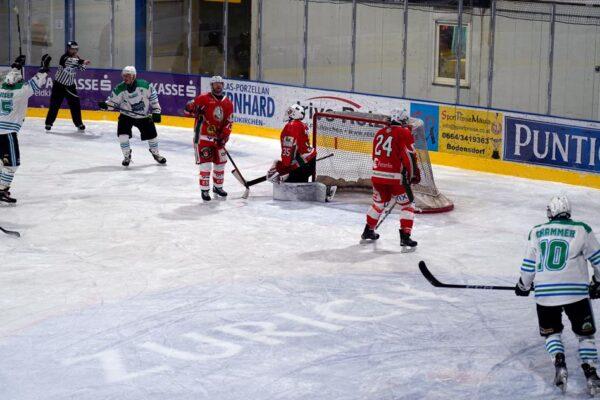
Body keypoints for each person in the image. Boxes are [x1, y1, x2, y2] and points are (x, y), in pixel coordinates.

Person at [515, 195, 600, 395]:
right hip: (576, 295)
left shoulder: (536, 231)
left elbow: (528, 267)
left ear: (550, 212)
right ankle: (591, 374)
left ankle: (559, 362)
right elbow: (598, 261)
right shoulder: (582, 229)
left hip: (545, 294)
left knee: (551, 333)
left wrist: (523, 286)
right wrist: (597, 282)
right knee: (585, 335)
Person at [361, 108, 420, 247]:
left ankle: (368, 230)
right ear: (402, 120)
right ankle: (405, 237)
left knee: (378, 205)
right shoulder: (404, 132)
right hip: (395, 178)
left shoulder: (379, 133)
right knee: (408, 205)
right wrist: (413, 174)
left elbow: (375, 156)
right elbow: (410, 156)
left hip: (377, 175)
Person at [0, 54, 51, 203]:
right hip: (8, 134)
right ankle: (2, 190)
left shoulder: (1, 90)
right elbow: (37, 82)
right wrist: (44, 69)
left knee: (2, 162)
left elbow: (10, 78)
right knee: (12, 164)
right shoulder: (21, 92)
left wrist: (16, 65)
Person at [98, 66, 165, 167]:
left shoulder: (145, 85)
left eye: (128, 75)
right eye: (124, 75)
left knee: (152, 135)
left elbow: (153, 97)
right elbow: (112, 103)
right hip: (126, 116)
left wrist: (156, 111)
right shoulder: (119, 88)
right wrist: (106, 106)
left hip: (143, 116)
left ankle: (156, 153)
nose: (125, 78)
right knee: (122, 135)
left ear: (134, 76)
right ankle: (126, 155)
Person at [184, 75, 234, 202]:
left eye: (220, 84)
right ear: (211, 86)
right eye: (215, 84)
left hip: (218, 139)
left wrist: (223, 137)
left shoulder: (228, 103)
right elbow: (188, 111)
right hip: (203, 138)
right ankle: (205, 190)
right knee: (205, 165)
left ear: (223, 85)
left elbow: (229, 122)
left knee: (220, 164)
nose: (218, 86)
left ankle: (218, 187)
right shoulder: (203, 98)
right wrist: (190, 107)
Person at [45, 41, 90, 132]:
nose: (73, 51)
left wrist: (83, 64)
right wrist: (82, 61)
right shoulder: (64, 57)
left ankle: (79, 123)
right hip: (59, 85)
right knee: (55, 105)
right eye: (71, 49)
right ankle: (49, 123)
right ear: (68, 49)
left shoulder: (76, 58)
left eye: (75, 49)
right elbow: (71, 62)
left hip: (70, 86)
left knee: (75, 105)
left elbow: (81, 68)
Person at [267, 104, 316, 183]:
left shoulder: (291, 126)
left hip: (302, 165)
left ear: (295, 114)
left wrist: (285, 168)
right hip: (310, 161)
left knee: (290, 187)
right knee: (301, 186)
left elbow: (289, 148)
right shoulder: (302, 125)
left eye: (290, 111)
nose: (288, 113)